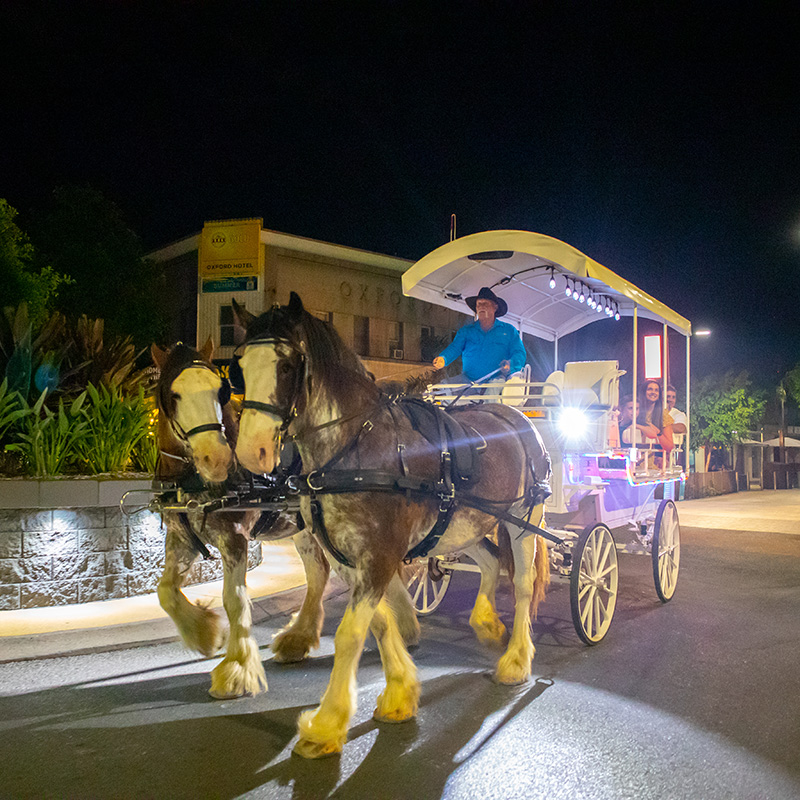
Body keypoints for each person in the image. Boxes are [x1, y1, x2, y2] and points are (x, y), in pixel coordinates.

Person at [432, 286, 526, 396]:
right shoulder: (466, 331)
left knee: (490, 401)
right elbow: (455, 348)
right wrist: (443, 358)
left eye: (485, 304)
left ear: (495, 307)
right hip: (468, 380)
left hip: (496, 380)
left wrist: (511, 363)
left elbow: (519, 353)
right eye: (478, 304)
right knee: (443, 389)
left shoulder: (509, 330)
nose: (481, 307)